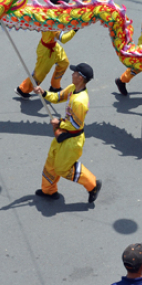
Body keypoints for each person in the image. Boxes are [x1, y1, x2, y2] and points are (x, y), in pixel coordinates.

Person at [33, 62, 102, 203]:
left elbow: (76, 124)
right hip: (63, 134)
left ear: (80, 78)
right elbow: (58, 97)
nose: (72, 74)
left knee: (62, 168)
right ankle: (49, 191)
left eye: (75, 73)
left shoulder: (80, 102)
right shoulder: (72, 88)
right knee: (51, 162)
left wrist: (59, 123)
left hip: (72, 140)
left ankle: (93, 185)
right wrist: (44, 93)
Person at [15, 0, 77, 98]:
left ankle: (55, 86)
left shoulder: (53, 16)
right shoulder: (51, 22)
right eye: (62, 5)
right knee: (39, 74)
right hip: (46, 51)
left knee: (64, 63)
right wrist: (75, 29)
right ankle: (22, 89)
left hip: (54, 46)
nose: (64, 7)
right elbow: (64, 39)